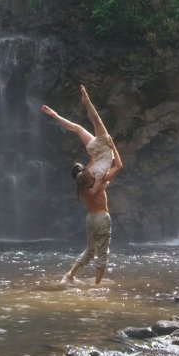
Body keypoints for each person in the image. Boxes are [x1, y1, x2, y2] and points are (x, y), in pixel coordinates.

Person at [41, 85, 123, 284]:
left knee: (90, 250)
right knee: (92, 121)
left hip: (91, 215)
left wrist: (106, 160)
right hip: (103, 153)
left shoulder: (87, 184)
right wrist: (112, 147)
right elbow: (117, 166)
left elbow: (113, 168)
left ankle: (70, 275)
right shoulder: (95, 175)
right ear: (84, 169)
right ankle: (86, 102)